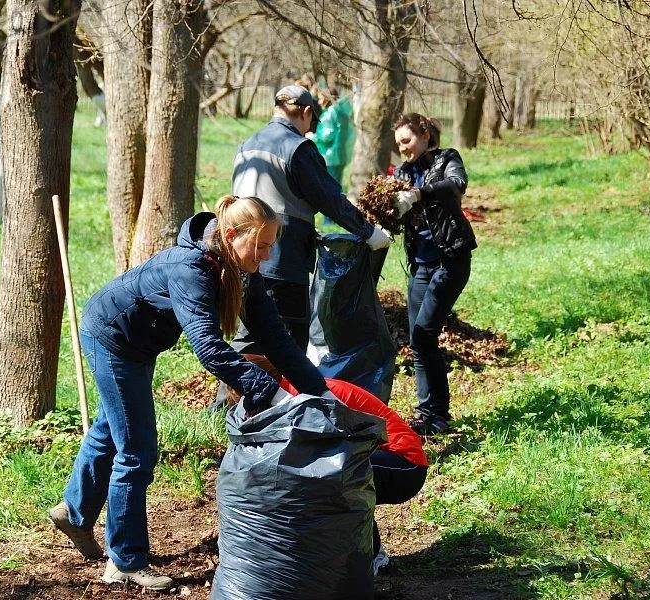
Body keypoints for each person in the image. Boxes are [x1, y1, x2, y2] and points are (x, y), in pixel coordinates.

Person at [49, 196, 338, 590]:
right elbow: (208, 347)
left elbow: (276, 340)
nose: (268, 255)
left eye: (272, 245)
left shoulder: (240, 268)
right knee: (135, 450)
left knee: (111, 428)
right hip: (113, 339)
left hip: (139, 341)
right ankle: (125, 562)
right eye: (262, 245)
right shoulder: (192, 269)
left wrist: (319, 393)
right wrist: (266, 390)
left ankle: (74, 512)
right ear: (232, 235)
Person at [229, 84, 390, 356]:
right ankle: (287, 398)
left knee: (250, 335)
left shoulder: (247, 145)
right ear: (305, 111)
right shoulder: (297, 147)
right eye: (310, 119)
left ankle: (229, 399)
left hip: (242, 254)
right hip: (281, 258)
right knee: (289, 340)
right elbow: (329, 199)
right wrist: (368, 231)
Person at [239, 354, 429, 576]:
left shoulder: (299, 396)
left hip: (404, 463)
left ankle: (372, 558)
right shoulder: (288, 392)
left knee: (335, 478)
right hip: (376, 457)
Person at [390, 113, 477, 436]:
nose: (403, 149)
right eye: (399, 144)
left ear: (425, 135)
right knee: (418, 339)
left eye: (407, 141)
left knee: (424, 333)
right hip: (421, 265)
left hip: (450, 259)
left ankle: (437, 413)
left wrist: (420, 194)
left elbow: (457, 185)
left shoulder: (446, 160)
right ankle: (427, 413)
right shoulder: (401, 172)